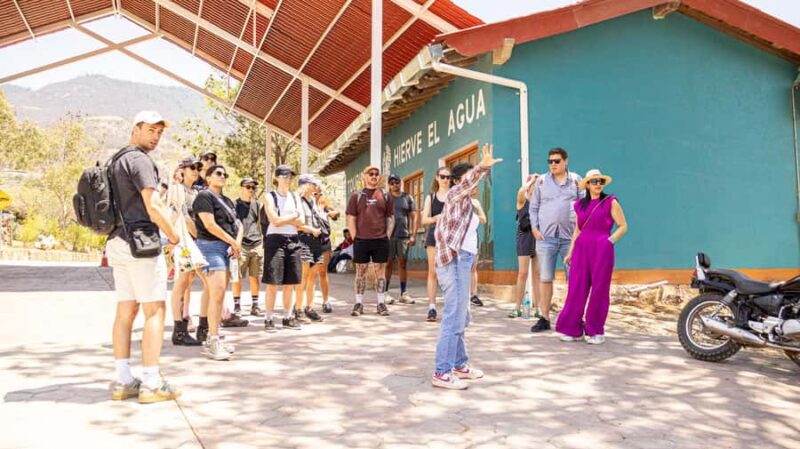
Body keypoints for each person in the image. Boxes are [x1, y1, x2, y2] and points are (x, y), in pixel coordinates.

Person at [106, 110, 181, 403]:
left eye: (160, 132)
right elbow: (153, 205)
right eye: (151, 130)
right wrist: (173, 236)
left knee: (126, 311)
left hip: (117, 241)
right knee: (155, 310)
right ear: (135, 128)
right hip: (141, 244)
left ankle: (123, 380)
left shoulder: (117, 160)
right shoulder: (139, 160)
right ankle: (151, 381)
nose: (156, 136)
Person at [431, 143, 501, 390]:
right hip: (455, 262)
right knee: (454, 316)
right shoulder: (455, 195)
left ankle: (460, 364)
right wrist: (481, 167)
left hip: (465, 261)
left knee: (464, 314)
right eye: (471, 178)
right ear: (462, 180)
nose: (476, 183)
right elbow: (466, 184)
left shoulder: (468, 204)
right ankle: (442, 372)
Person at [557, 169, 627, 344]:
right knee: (576, 287)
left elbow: (623, 226)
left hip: (602, 247)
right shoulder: (579, 204)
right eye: (594, 181)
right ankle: (573, 330)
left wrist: (609, 241)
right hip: (582, 248)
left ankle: (596, 331)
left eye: (600, 181)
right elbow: (578, 229)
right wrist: (570, 252)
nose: (598, 184)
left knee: (599, 289)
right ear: (587, 184)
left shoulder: (610, 202)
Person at [529, 147, 583, 333]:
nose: (553, 164)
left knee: (575, 279)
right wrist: (535, 228)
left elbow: (584, 206)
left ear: (565, 161)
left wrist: (581, 232)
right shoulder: (542, 182)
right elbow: (533, 207)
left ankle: (575, 317)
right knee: (545, 278)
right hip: (546, 238)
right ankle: (544, 318)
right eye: (550, 161)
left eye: (557, 161)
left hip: (571, 239)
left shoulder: (576, 181)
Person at [193, 164, 244, 360]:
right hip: (211, 247)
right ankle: (213, 339)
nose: (223, 176)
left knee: (220, 294)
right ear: (208, 178)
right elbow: (209, 224)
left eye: (225, 174)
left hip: (228, 249)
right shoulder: (204, 197)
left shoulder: (228, 201)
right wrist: (232, 241)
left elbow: (238, 224)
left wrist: (236, 243)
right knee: (217, 293)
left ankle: (213, 337)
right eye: (218, 173)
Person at [346, 165, 394, 317]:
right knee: (361, 272)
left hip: (380, 240)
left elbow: (390, 218)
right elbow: (351, 218)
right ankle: (359, 303)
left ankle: (381, 303)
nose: (374, 176)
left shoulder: (385, 195)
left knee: (381, 272)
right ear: (364, 176)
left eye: (376, 174)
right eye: (370, 174)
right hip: (362, 240)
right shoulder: (356, 196)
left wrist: (387, 234)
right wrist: (355, 237)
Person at [262, 164, 305, 331]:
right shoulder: (269, 197)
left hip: (293, 240)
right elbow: (275, 221)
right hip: (275, 240)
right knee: (273, 282)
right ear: (277, 178)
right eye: (285, 176)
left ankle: (287, 317)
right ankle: (269, 318)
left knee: (290, 282)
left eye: (291, 177)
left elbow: (301, 222)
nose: (289, 180)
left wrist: (285, 218)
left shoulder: (295, 197)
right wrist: (293, 216)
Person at [168, 156, 204, 346]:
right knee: (181, 284)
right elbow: (180, 215)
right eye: (192, 167)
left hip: (193, 241)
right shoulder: (177, 190)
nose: (196, 171)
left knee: (188, 281)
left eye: (198, 167)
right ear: (183, 170)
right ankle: (179, 330)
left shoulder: (196, 193)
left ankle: (184, 326)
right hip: (184, 241)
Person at [509, 174, 541, 318]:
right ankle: (517, 307)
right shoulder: (522, 201)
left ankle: (538, 308)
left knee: (537, 274)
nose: (535, 188)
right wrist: (531, 180)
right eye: (533, 186)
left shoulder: (541, 203)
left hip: (539, 237)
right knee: (523, 273)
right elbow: (520, 192)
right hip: (524, 237)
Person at [421, 166, 451, 322]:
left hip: (450, 238)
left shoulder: (454, 196)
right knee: (433, 271)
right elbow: (423, 220)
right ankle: (432, 307)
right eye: (443, 176)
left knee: (449, 272)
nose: (446, 180)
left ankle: (449, 306)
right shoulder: (431, 198)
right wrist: (435, 218)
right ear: (437, 178)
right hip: (434, 236)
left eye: (448, 177)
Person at [232, 178, 265, 317]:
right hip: (240, 245)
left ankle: (255, 305)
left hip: (256, 243)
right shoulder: (234, 205)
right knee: (237, 277)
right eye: (248, 187)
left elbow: (262, 223)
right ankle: (237, 306)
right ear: (241, 188)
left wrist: (263, 240)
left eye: (253, 187)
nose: (251, 189)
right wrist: (233, 243)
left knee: (255, 276)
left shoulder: (257, 204)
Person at [295, 174, 325, 322]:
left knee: (313, 276)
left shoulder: (313, 201)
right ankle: (298, 309)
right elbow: (296, 224)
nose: (315, 187)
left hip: (316, 240)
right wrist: (311, 229)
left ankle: (309, 307)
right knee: (303, 276)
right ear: (306, 185)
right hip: (303, 239)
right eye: (313, 184)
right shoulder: (297, 200)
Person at [384, 173, 418, 304]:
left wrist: (413, 234)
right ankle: (385, 293)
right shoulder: (386, 198)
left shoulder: (407, 197)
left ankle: (403, 293)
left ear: (400, 182)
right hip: (388, 236)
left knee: (403, 264)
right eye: (391, 183)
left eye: (396, 182)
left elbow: (414, 216)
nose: (394, 185)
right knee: (388, 264)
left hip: (403, 236)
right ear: (389, 185)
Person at [316, 192, 337, 313]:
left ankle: (325, 301)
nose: (318, 195)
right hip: (308, 240)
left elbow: (336, 214)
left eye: (320, 193)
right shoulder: (302, 202)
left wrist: (331, 213)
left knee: (322, 272)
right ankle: (301, 304)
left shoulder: (323, 204)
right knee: (307, 274)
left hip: (324, 241)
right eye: (315, 192)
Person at [468, 196, 486, 307]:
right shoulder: (457, 198)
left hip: (473, 237)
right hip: (460, 238)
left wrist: (474, 216)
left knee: (473, 268)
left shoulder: (475, 202)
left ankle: (474, 295)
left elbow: (484, 219)